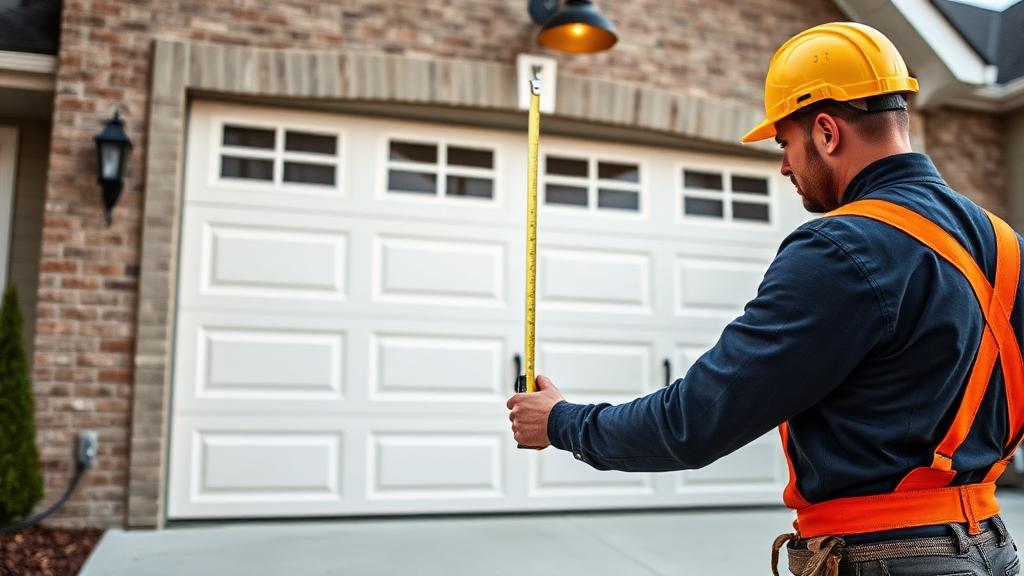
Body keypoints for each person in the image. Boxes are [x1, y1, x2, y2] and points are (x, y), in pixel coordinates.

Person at [506, 21, 1024, 576]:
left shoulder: (841, 247)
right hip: (992, 548)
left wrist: (561, 422)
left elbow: (694, 423)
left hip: (884, 558)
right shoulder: (1007, 246)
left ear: (826, 131)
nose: (783, 166)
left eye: (785, 143)